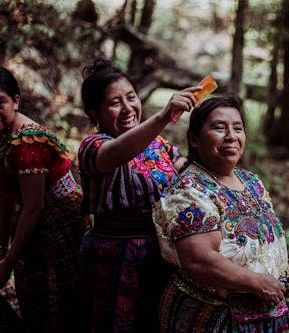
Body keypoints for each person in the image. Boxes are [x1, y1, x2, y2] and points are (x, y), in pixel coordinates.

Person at [153, 95, 289, 333]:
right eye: (219, 128)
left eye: (238, 128)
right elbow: (199, 260)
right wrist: (257, 282)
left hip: (268, 313)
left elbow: (264, 240)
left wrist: (285, 269)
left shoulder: (251, 181)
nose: (231, 136)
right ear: (194, 139)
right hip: (215, 316)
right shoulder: (189, 190)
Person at [78, 59, 201, 332]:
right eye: (114, 103)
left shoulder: (157, 144)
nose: (127, 108)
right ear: (95, 113)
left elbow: (188, 170)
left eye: (131, 97)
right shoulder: (93, 146)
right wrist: (163, 116)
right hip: (113, 258)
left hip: (161, 255)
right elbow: (116, 154)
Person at [0, 60, 91, 332]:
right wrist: (1, 250)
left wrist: (9, 260)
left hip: (62, 219)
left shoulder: (28, 141)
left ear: (15, 101)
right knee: (33, 288)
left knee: (59, 295)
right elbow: (7, 194)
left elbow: (34, 206)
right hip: (31, 216)